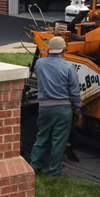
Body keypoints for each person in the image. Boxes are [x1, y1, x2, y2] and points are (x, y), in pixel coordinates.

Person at [30, 36, 81, 176]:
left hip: (45, 108)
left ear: (50, 49)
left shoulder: (39, 63)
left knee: (42, 138)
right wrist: (77, 108)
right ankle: (54, 171)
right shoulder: (68, 67)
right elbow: (74, 91)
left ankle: (34, 167)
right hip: (63, 109)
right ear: (64, 49)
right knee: (59, 142)